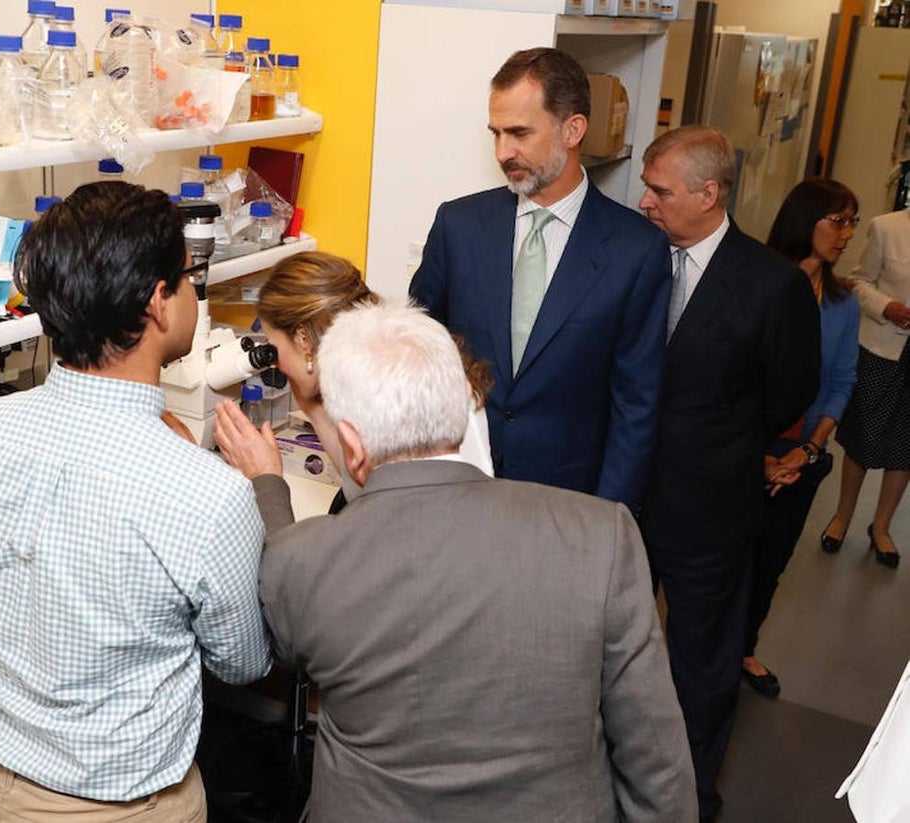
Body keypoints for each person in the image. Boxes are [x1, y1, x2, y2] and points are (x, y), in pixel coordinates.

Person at [214, 301, 697, 822]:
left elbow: (278, 606)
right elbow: (655, 758)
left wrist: (266, 485)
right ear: (463, 402)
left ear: (351, 445)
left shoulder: (306, 561)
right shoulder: (602, 535)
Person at [0, 182, 272, 822]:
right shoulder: (210, 495)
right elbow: (243, 663)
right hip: (130, 808)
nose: (191, 292)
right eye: (186, 278)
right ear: (159, 303)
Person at [637, 125, 821, 821]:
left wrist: (725, 441)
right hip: (624, 493)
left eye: (660, 190)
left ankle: (689, 793)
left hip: (711, 506)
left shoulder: (771, 283)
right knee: (610, 644)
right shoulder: (634, 258)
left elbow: (789, 393)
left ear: (708, 194)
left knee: (702, 663)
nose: (646, 201)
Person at [409, 47, 670, 509]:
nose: (502, 152)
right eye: (495, 134)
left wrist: (607, 519)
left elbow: (636, 405)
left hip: (566, 500)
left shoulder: (636, 250)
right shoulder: (459, 226)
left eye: (519, 133)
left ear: (573, 130)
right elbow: (419, 358)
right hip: (458, 487)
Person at [253, 250, 493, 508]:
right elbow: (356, 483)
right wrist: (313, 409)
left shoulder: (395, 384)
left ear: (303, 339)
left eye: (274, 347)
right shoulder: (353, 372)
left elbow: (385, 506)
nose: (277, 363)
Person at [742, 179, 860, 699]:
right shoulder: (758, 283)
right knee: (728, 559)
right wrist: (760, 456)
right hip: (747, 449)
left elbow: (842, 381)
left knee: (771, 562)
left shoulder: (842, 302)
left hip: (803, 454)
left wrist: (809, 449)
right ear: (804, 220)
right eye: (837, 221)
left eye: (852, 222)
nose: (846, 234)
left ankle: (743, 649)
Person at [822, 208, 910, 568]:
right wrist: (886, 306)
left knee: (906, 444)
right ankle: (842, 516)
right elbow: (858, 283)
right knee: (862, 435)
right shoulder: (887, 227)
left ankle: (882, 527)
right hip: (883, 348)